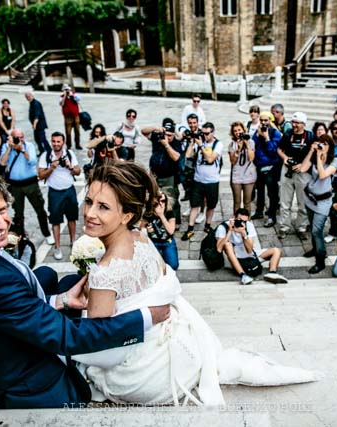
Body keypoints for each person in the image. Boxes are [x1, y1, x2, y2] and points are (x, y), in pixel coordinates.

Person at [78, 161, 316, 405]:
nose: (89, 213)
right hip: (180, 351)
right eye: (88, 202)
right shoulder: (140, 238)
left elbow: (98, 345)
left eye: (103, 207)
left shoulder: (105, 272)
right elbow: (165, 283)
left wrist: (89, 295)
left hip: (140, 376)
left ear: (127, 215)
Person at [0, 165, 170, 409]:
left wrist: (60, 300)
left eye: (2, 209)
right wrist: (144, 317)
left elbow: (8, 309)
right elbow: (68, 336)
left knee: (57, 279)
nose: (1, 223)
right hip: (19, 385)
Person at [0, 128, 53, 244]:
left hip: (30, 183)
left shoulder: (29, 146)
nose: (19, 139)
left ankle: (47, 233)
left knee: (40, 210)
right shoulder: (6, 146)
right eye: (16, 137)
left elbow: (33, 161)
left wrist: (22, 150)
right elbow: (2, 163)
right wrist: (9, 148)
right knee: (18, 213)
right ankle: (21, 236)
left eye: (21, 137)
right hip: (15, 186)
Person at [215, 208, 288, 285]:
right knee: (227, 244)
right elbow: (219, 249)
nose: (242, 223)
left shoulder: (249, 226)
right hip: (234, 259)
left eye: (244, 221)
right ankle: (243, 275)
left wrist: (244, 234)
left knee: (276, 250)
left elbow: (249, 250)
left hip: (249, 257)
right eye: (239, 220)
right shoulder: (223, 227)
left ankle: (272, 272)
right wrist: (230, 230)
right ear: (234, 217)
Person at [300, 134, 337, 274]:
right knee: (313, 227)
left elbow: (323, 175)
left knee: (317, 230)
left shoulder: (335, 161)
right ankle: (315, 248)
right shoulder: (314, 155)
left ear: (330, 146)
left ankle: (320, 260)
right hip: (310, 197)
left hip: (323, 201)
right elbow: (303, 168)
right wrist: (311, 151)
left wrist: (319, 156)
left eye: (325, 144)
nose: (322, 146)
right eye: (320, 143)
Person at [38, 131, 81, 260]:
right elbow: (40, 175)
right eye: (54, 141)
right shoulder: (46, 156)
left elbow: (78, 171)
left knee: (72, 218)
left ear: (63, 142)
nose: (56, 144)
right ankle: (57, 247)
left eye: (58, 141)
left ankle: (73, 241)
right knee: (55, 221)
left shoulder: (70, 154)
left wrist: (69, 167)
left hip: (69, 190)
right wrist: (52, 166)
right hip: (55, 192)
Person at [182, 122, 223, 240]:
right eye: (203, 133)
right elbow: (188, 155)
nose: (205, 136)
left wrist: (201, 146)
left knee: (211, 205)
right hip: (198, 180)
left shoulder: (218, 144)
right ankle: (190, 229)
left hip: (212, 181)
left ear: (213, 132)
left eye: (207, 133)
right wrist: (192, 142)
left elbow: (210, 159)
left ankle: (208, 225)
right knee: (194, 205)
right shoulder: (199, 142)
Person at [277, 112, 313, 239]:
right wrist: (285, 158)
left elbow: (314, 154)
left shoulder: (310, 136)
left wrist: (303, 165)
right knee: (285, 201)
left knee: (303, 202)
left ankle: (301, 227)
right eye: (293, 122)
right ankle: (284, 227)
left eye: (297, 123)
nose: (294, 125)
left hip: (303, 173)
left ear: (304, 124)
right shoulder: (288, 135)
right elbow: (279, 149)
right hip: (287, 170)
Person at [251, 112, 282, 227]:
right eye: (262, 120)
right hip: (260, 165)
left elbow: (273, 150)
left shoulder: (275, 133)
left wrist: (267, 138)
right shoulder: (258, 132)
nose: (263, 123)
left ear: (271, 121)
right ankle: (259, 211)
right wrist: (258, 136)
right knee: (260, 190)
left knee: (272, 193)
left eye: (266, 120)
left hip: (272, 167)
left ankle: (271, 216)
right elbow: (253, 145)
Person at [141, 191, 179, 270]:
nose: (161, 204)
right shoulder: (148, 213)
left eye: (163, 201)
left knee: (173, 265)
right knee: (152, 267)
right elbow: (141, 230)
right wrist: (147, 231)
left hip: (167, 241)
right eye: (158, 201)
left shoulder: (169, 212)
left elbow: (171, 231)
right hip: (154, 242)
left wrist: (161, 215)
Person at [228, 121, 256, 213]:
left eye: (239, 130)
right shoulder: (232, 144)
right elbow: (233, 161)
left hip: (249, 174)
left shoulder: (251, 142)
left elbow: (251, 158)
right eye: (235, 131)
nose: (237, 132)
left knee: (247, 202)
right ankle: (236, 221)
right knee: (237, 202)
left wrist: (247, 145)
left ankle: (247, 222)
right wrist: (238, 150)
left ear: (243, 130)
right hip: (237, 176)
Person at [25, 91, 50, 155]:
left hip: (39, 125)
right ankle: (42, 151)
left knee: (42, 139)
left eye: (29, 96)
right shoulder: (31, 103)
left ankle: (48, 151)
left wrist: (34, 124)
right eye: (27, 97)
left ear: (32, 96)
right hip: (37, 125)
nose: (28, 98)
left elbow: (37, 115)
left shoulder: (35, 104)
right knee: (37, 139)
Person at [59, 84, 82, 149]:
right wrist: (64, 96)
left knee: (77, 131)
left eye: (67, 89)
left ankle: (78, 144)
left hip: (75, 116)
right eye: (65, 90)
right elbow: (61, 104)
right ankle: (69, 145)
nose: (67, 91)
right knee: (68, 132)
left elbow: (78, 100)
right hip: (67, 117)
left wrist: (72, 95)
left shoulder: (74, 94)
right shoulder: (61, 96)